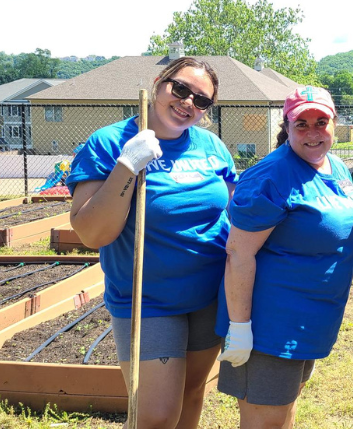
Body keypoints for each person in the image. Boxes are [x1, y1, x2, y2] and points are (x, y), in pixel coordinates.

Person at [68, 57, 236, 429]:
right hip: (149, 301)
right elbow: (92, 233)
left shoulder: (212, 147)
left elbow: (232, 212)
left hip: (209, 295)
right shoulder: (109, 143)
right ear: (159, 82)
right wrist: (128, 165)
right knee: (155, 417)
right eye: (180, 89)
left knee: (193, 394)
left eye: (202, 100)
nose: (188, 102)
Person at [215, 86, 353, 429]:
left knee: (285, 412)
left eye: (321, 121)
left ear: (335, 123)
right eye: (302, 124)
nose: (313, 132)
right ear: (287, 127)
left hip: (311, 320)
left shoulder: (337, 168)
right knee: (265, 421)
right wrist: (240, 329)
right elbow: (239, 253)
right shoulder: (271, 176)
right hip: (270, 325)